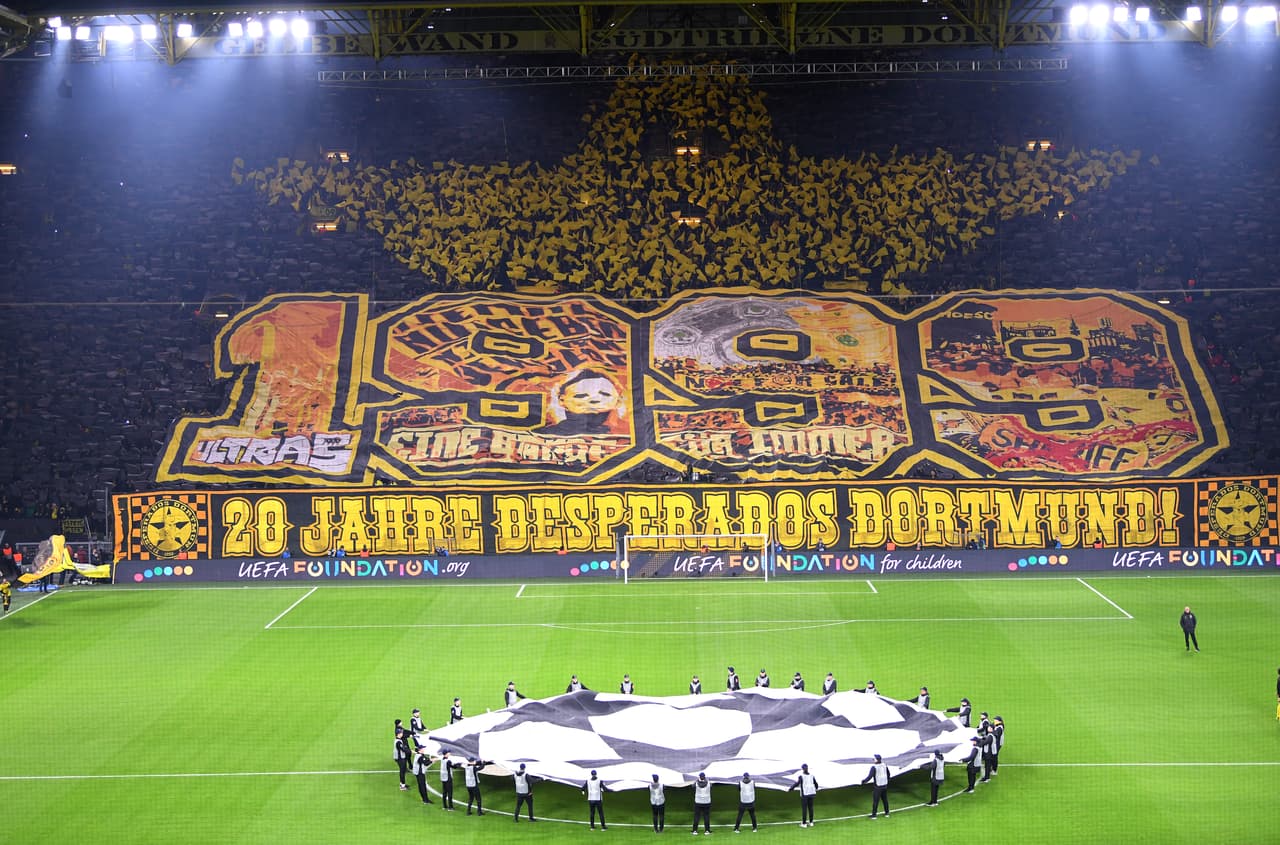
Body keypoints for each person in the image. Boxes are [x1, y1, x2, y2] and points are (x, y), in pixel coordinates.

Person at [789, 763, 819, 827]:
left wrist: (791, 788)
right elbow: (816, 784)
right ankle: (811, 822)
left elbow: (797, 783)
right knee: (811, 808)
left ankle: (804, 823)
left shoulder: (801, 776)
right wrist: (816, 788)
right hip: (811, 793)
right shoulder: (812, 775)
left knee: (804, 809)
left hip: (805, 794)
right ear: (807, 768)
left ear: (802, 769)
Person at [862, 754, 891, 818]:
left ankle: (874, 815)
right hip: (884, 785)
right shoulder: (884, 765)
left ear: (876, 759)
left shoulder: (874, 767)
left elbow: (870, 776)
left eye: (874, 759)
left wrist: (864, 781)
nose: (873, 760)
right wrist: (887, 781)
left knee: (876, 801)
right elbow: (888, 774)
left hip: (878, 786)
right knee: (885, 800)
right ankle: (887, 813)